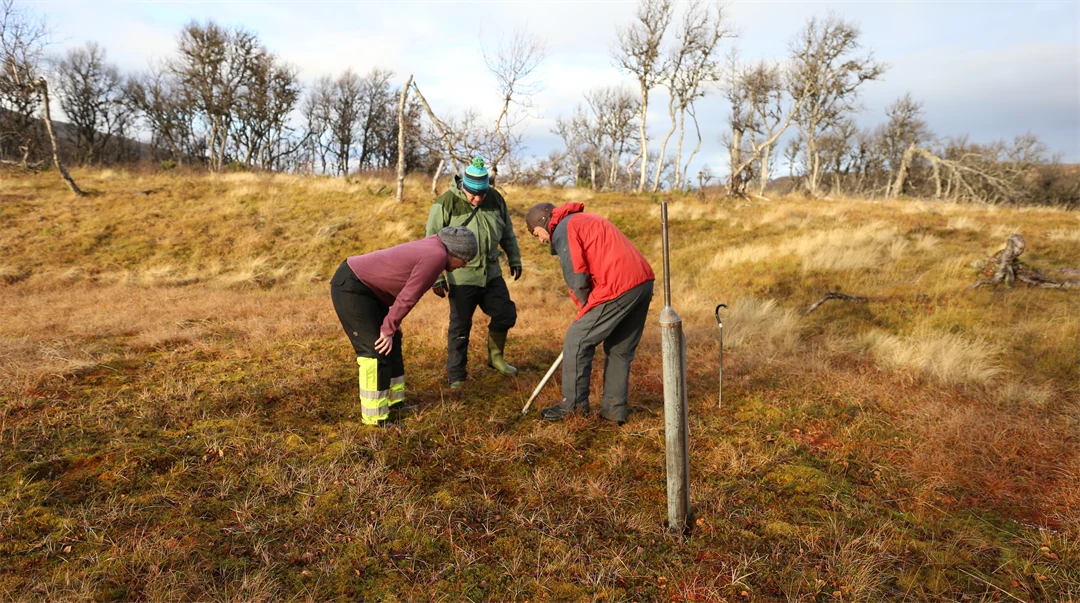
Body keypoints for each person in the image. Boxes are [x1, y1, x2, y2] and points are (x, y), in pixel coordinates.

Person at [330, 226, 478, 426]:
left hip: (370, 292)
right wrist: (388, 327)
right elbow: (409, 296)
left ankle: (395, 403)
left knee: (394, 340)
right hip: (352, 287)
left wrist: (392, 325)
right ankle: (375, 418)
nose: (465, 265)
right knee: (375, 349)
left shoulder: (436, 248)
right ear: (456, 253)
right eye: (465, 260)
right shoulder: (435, 256)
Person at [525, 201, 655, 424]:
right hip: (643, 283)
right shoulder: (583, 220)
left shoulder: (564, 228)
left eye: (537, 234)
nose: (541, 240)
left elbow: (577, 276)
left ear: (543, 222)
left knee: (577, 340)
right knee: (619, 349)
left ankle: (572, 408)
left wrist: (585, 309)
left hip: (619, 286)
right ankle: (613, 412)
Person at [425, 156, 523, 389]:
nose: (478, 199)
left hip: (491, 273)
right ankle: (456, 374)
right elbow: (431, 241)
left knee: (505, 314)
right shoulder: (445, 203)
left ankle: (496, 358)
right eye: (473, 195)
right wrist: (437, 276)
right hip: (462, 276)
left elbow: (507, 231)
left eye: (482, 194)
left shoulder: (496, 199)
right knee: (460, 326)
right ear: (464, 187)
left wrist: (515, 259)